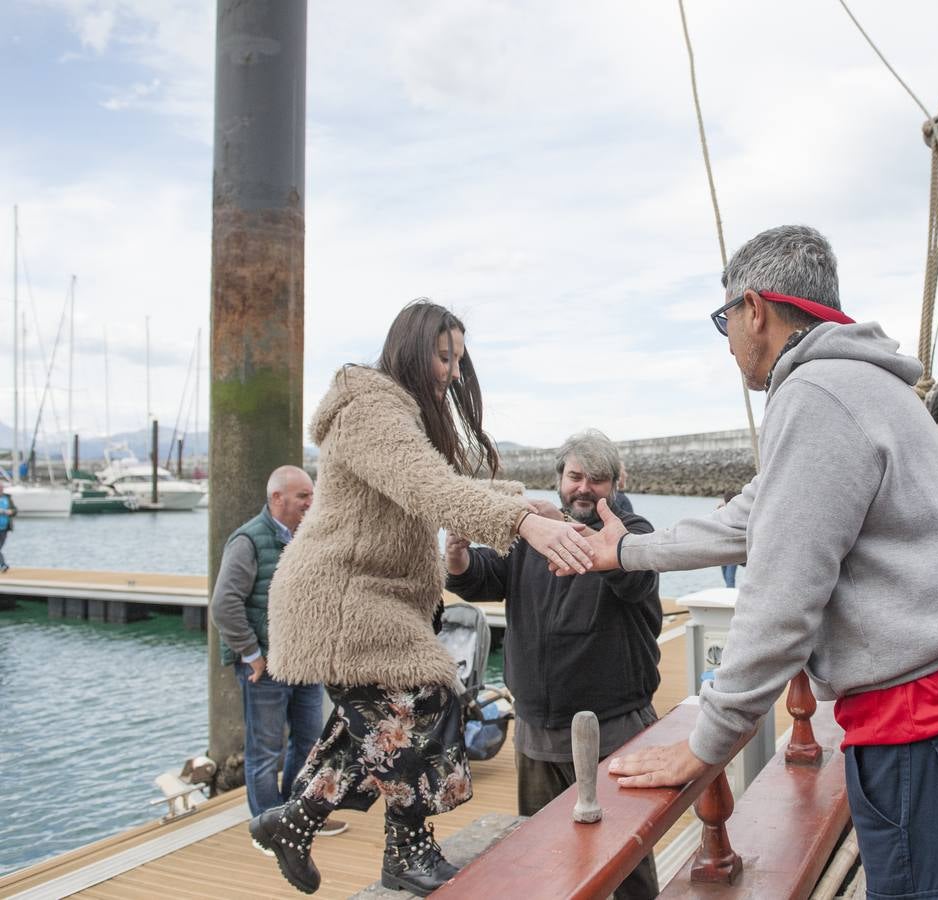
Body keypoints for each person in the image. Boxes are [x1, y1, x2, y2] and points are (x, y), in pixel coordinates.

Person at [583, 225, 938, 898]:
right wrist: (623, 549)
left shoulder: (815, 397)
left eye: (725, 319)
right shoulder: (866, 385)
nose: (729, 340)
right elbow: (751, 517)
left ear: (755, 309)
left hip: (931, 737)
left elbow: (780, 601)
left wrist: (706, 742)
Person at [250, 300, 595, 897]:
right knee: (422, 703)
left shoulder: (400, 413)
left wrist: (523, 501)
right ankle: (405, 853)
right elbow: (428, 486)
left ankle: (294, 821)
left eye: (458, 360)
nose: (453, 373)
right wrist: (520, 521)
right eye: (444, 357)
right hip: (340, 602)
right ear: (412, 349)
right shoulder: (369, 409)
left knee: (378, 725)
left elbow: (443, 483)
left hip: (368, 600)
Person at [446, 428, 662, 900]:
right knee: (545, 861)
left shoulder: (634, 533)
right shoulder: (533, 537)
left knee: (626, 864)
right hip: (538, 734)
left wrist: (585, 536)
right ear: (559, 478)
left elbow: (638, 584)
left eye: (597, 479)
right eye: (575, 476)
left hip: (614, 730)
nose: (584, 488)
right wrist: (458, 557)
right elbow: (483, 576)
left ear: (616, 484)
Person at [209, 465, 345, 837]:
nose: (311, 502)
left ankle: (299, 815)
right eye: (303, 495)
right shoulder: (247, 541)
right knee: (265, 750)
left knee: (310, 742)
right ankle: (270, 826)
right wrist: (251, 654)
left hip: (305, 662)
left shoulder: (309, 538)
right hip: (265, 666)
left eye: (312, 494)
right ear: (277, 498)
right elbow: (224, 605)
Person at [717, 490, 739, 588]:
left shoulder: (726, 511)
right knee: (727, 577)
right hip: (726, 550)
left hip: (730, 550)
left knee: (729, 577)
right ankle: (729, 595)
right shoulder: (724, 510)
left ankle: (730, 598)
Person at [0, 484, 16, 572]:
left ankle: (3, 565)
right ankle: (3, 565)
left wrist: (11, 511)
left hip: (4, 529)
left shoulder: (8, 498)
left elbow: (15, 510)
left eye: (1, 488)